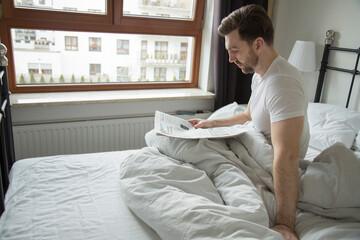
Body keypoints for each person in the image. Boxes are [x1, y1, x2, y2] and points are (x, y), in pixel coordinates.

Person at [188, 4, 310, 240]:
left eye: (235, 50)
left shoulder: (282, 84)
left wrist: (285, 224)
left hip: (267, 165)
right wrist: (211, 124)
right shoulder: (261, 74)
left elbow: (287, 156)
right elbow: (249, 116)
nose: (231, 58)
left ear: (258, 44)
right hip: (252, 152)